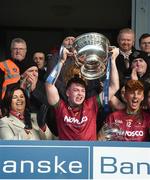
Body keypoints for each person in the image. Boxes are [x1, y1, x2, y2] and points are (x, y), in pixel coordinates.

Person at [45, 47, 119, 140]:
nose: (80, 93)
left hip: (89, 152)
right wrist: (61, 61)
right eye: (76, 90)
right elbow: (49, 85)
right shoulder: (60, 107)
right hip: (66, 153)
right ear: (67, 92)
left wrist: (112, 60)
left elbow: (114, 87)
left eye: (82, 91)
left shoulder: (92, 105)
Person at [0, 38, 27, 117]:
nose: (18, 51)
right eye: (15, 49)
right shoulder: (3, 65)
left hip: (26, 108)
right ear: (11, 50)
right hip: (6, 108)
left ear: (25, 51)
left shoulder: (31, 67)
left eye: (21, 49)